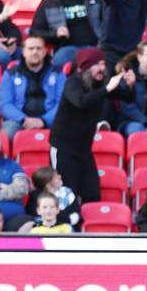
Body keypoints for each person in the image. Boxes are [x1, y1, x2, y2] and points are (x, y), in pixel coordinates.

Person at [49, 48, 135, 203]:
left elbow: (128, 98)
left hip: (84, 149)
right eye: (96, 65)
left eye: (103, 64)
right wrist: (108, 88)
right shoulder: (73, 82)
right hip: (64, 149)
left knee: (92, 193)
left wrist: (130, 85)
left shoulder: (100, 84)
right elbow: (81, 101)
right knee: (67, 195)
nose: (101, 68)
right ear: (83, 68)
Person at [30, 0, 104, 71]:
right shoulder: (49, 3)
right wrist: (55, 33)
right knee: (59, 61)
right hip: (67, 48)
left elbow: (106, 21)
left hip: (94, 45)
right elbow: (34, 31)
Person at [0, 36, 66, 141]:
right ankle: (7, 158)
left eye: (39, 48)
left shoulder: (58, 73)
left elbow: (62, 103)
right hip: (19, 121)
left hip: (50, 120)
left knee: (67, 130)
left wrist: (44, 121)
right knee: (8, 131)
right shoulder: (10, 73)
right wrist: (23, 119)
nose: (35, 52)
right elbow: (5, 105)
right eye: (31, 48)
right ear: (24, 52)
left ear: (45, 51)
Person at [0, 124, 28, 223]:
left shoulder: (13, 166)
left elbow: (21, 189)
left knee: (28, 223)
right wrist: (2, 186)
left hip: (12, 220)